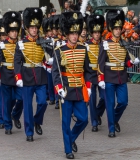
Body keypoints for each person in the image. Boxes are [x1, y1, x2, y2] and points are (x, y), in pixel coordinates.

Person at [52, 12, 91, 159]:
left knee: (83, 119)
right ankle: (68, 150)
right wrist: (59, 88)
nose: (75, 36)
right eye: (72, 33)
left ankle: (71, 139)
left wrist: (88, 86)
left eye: (76, 32)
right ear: (67, 34)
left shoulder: (83, 49)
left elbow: (87, 70)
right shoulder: (59, 51)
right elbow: (55, 73)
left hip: (79, 90)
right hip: (66, 90)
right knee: (66, 122)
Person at [98, 9, 140, 138]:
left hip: (121, 77)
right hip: (109, 77)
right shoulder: (105, 44)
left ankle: (114, 119)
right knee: (110, 104)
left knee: (123, 102)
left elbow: (126, 62)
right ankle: (111, 129)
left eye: (119, 28)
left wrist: (133, 62)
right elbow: (100, 63)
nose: (117, 30)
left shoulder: (124, 44)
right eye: (115, 28)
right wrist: (101, 78)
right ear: (111, 29)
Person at [14, 7, 48, 142]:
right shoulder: (21, 43)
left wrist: (49, 61)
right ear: (27, 28)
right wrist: (18, 77)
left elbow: (47, 58)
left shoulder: (43, 42)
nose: (34, 29)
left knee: (43, 103)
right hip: (27, 76)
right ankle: (29, 132)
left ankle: (37, 121)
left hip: (40, 76)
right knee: (27, 107)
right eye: (32, 27)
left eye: (36, 27)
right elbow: (17, 62)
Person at [0, 11, 23, 134]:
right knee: (7, 101)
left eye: (16, 31)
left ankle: (15, 116)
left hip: (18, 76)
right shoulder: (2, 45)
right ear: (8, 32)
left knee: (21, 99)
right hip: (6, 75)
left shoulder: (21, 44)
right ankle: (7, 125)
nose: (14, 33)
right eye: (12, 31)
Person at [86, 14, 106, 132]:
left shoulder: (104, 44)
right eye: (95, 32)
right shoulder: (87, 45)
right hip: (91, 74)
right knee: (92, 99)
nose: (97, 34)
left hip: (102, 73)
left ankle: (98, 113)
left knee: (104, 98)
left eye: (99, 32)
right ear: (92, 33)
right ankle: (94, 122)